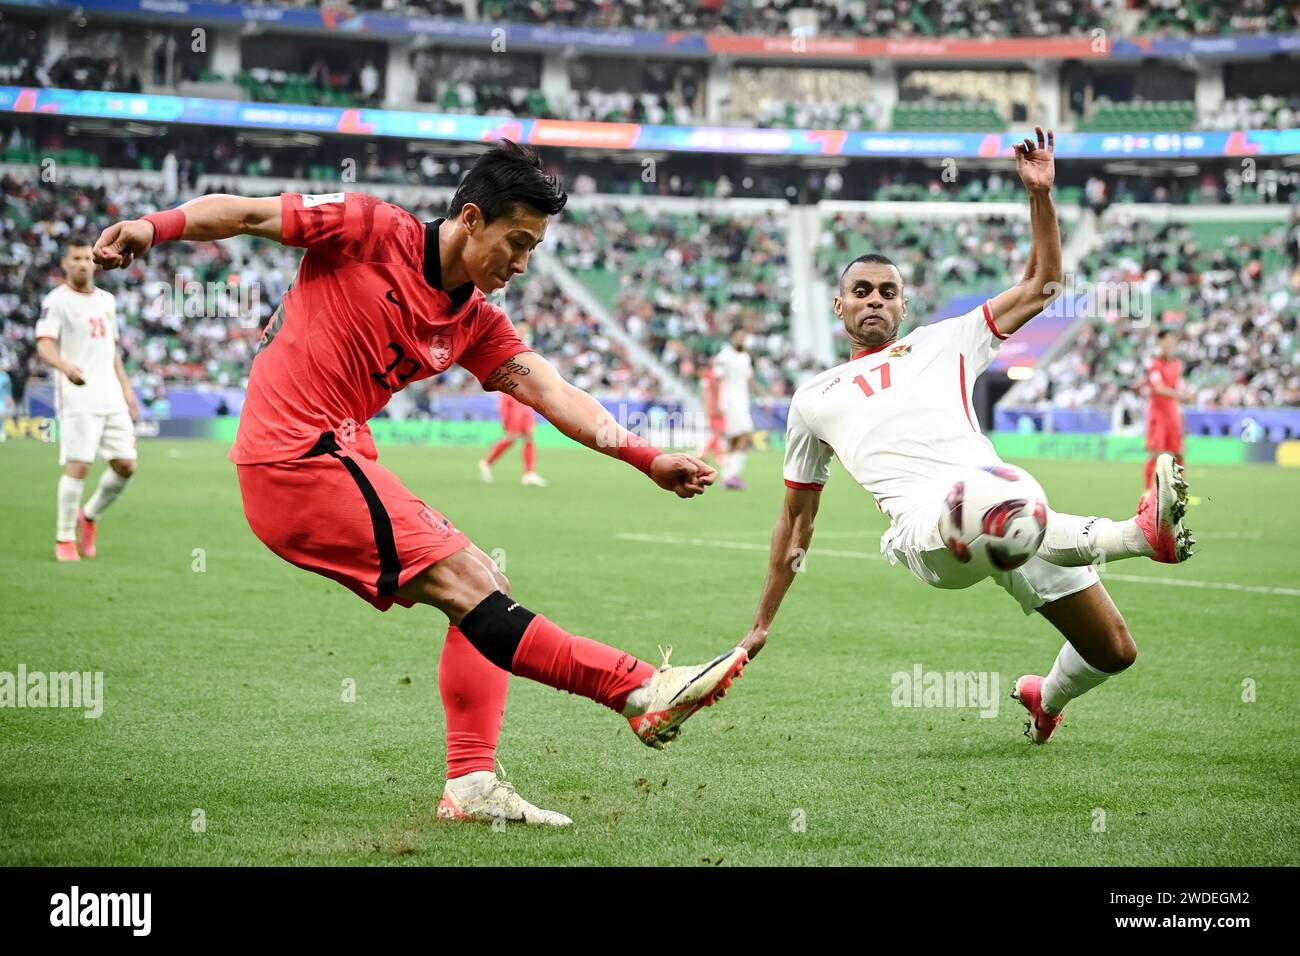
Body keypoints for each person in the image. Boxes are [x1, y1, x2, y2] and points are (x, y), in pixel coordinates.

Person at [93, 141, 746, 826]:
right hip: (295, 454)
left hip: (333, 454)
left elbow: (554, 392)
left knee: (481, 586)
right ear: (471, 217)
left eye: (533, 251)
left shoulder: (474, 322)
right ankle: (639, 690)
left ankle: (470, 785)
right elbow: (249, 213)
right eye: (516, 243)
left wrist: (646, 458)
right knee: (468, 581)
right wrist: (153, 226)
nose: (521, 265)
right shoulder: (370, 228)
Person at [741, 128, 1195, 745]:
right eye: (861, 291)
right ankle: (1135, 536)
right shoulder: (813, 398)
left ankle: (1044, 698)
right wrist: (762, 622)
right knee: (1006, 497)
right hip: (930, 532)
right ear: (840, 305)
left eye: (888, 292)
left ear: (904, 307)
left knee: (1114, 649)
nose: (874, 299)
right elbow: (796, 522)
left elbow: (1043, 287)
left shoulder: (946, 339)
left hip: (1011, 512)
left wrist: (1040, 194)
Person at [35, 236, 140, 562]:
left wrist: (127, 389)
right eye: (75, 258)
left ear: (95, 262)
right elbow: (44, 343)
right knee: (79, 465)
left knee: (126, 465)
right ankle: (64, 537)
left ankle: (89, 515)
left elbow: (112, 352)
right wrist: (64, 366)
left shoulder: (107, 301)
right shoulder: (57, 301)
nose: (82, 263)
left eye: (86, 258)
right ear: (65, 264)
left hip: (111, 394)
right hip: (78, 395)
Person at [479, 321, 547, 486]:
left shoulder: (525, 349)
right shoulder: (507, 346)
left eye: (526, 331)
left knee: (529, 434)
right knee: (513, 435)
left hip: (524, 394)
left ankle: (529, 473)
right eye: (522, 330)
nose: (525, 333)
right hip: (511, 394)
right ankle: (487, 462)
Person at [1144, 328, 1190, 490]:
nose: (1168, 344)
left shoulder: (1177, 364)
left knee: (1179, 452)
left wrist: (1179, 410)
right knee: (1156, 453)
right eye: (1165, 341)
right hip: (1158, 413)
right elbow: (1158, 388)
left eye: (1171, 340)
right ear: (1160, 343)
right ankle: (1148, 491)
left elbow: (1177, 385)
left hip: (1172, 413)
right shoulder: (1155, 365)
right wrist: (1179, 395)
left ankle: (1180, 490)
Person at [713, 329, 757, 490]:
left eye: (744, 337)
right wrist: (718, 401)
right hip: (730, 401)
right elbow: (717, 377)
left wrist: (763, 397)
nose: (742, 340)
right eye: (739, 337)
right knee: (746, 434)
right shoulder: (725, 355)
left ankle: (727, 476)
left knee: (734, 439)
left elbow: (750, 379)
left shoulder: (745, 358)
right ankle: (733, 475)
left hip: (743, 401)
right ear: (733, 338)